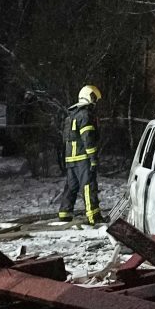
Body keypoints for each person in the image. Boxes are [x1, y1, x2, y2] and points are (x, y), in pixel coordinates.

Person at [56, 84, 102, 227]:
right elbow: (88, 138)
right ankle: (94, 216)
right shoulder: (85, 115)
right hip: (83, 158)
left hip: (71, 159)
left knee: (71, 187)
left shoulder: (72, 115)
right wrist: (93, 158)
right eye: (94, 98)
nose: (95, 102)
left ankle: (65, 214)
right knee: (88, 186)